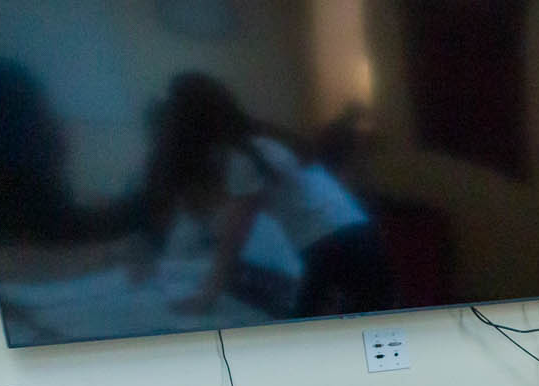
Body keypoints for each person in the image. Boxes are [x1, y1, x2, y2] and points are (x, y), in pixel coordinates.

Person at [144, 73, 390, 318]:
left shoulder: (244, 157)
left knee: (321, 323)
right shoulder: (262, 141)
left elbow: (234, 237)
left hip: (332, 241)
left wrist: (207, 296)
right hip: (354, 232)